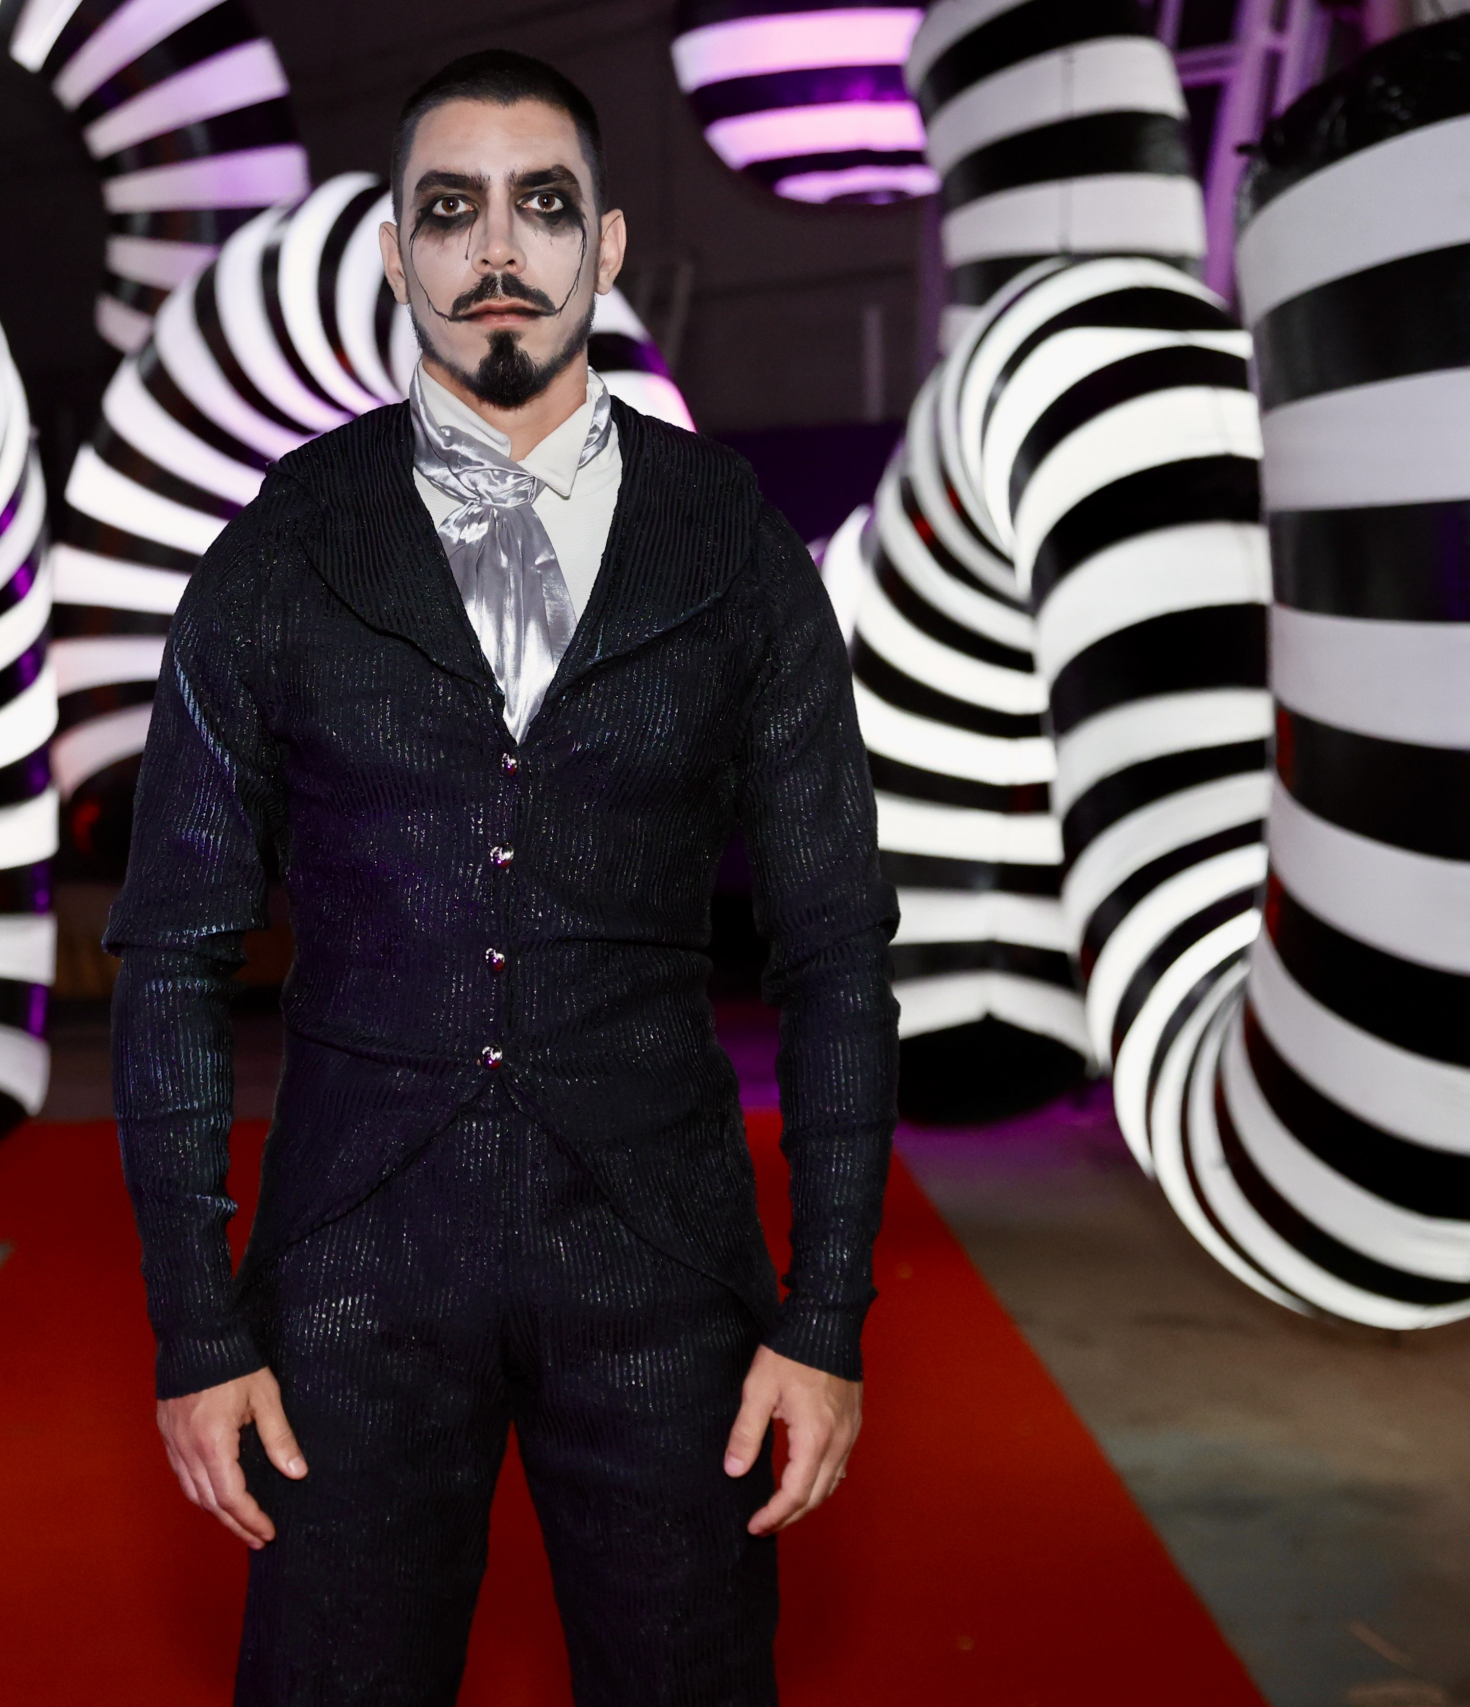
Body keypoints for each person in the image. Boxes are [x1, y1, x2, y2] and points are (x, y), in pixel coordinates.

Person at [107, 48, 898, 1707]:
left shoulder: (733, 540)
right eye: (448, 209)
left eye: (542, 205)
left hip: (665, 1264)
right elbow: (172, 953)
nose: (495, 249)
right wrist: (196, 1326)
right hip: (351, 1270)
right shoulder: (283, 545)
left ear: (605, 246)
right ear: (395, 254)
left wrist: (826, 1314)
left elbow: (834, 948)